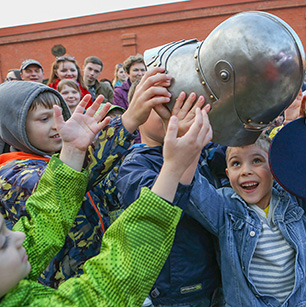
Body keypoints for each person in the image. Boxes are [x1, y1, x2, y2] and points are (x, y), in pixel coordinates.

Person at [0, 94, 197, 305]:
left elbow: (45, 222)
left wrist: (74, 152)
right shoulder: (16, 174)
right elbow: (106, 290)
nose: (18, 236)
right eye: (3, 242)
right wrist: (129, 123)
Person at [160, 98, 306, 305]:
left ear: (274, 167)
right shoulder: (225, 208)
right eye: (236, 163)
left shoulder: (294, 200)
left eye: (257, 160)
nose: (246, 170)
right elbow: (191, 189)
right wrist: (187, 138)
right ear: (228, 173)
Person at [0, 76, 159, 288]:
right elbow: (65, 187)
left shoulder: (53, 159)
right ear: (15, 127)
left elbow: (103, 193)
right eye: (44, 119)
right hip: (63, 287)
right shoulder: (16, 173)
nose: (56, 125)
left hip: (93, 274)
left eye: (59, 116)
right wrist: (128, 121)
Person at [116, 70, 224, 306]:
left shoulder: (206, 152)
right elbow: (158, 209)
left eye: (177, 102)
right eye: (161, 106)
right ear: (139, 112)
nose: (173, 112)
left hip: (212, 279)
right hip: (175, 291)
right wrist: (185, 151)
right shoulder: (136, 164)